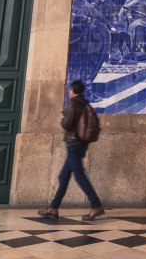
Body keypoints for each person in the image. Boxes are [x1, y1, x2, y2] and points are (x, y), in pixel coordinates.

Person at [38, 80, 105, 221]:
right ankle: (54, 208)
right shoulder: (85, 103)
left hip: (73, 143)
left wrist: (63, 118)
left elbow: (67, 124)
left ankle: (96, 205)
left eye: (70, 89)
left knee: (79, 176)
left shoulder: (73, 103)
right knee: (63, 176)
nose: (69, 91)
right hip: (80, 144)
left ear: (73, 90)